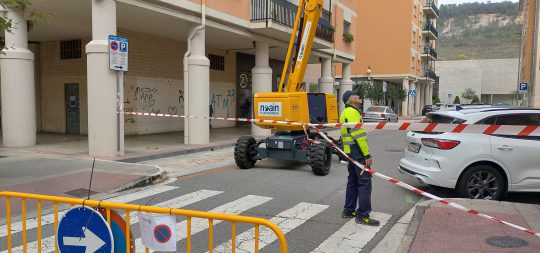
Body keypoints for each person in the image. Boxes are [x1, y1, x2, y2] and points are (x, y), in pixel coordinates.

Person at [339, 90, 380, 226]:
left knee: (353, 181)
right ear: (351, 99)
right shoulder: (352, 112)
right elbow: (358, 136)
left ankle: (349, 210)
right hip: (357, 152)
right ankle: (363, 215)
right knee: (364, 182)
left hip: (350, 152)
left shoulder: (346, 112)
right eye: (357, 95)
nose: (359, 96)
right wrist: (366, 155)